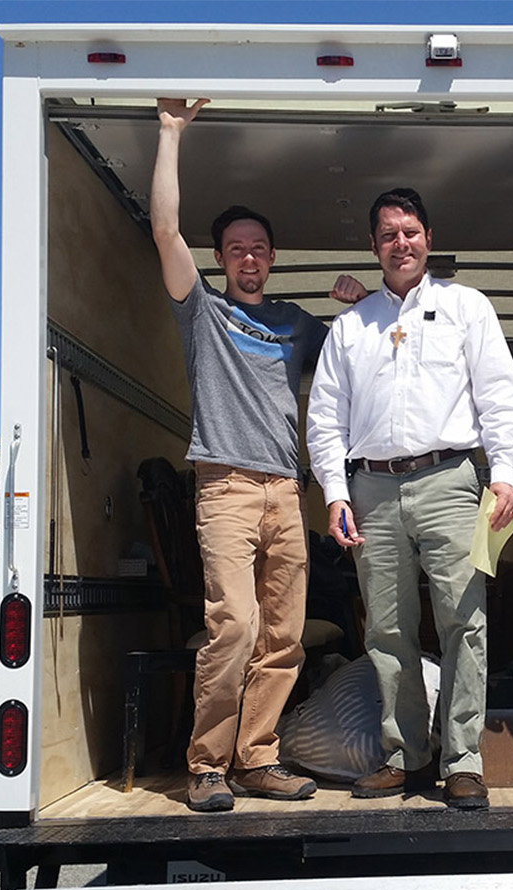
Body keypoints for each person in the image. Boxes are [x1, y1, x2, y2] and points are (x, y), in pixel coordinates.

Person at [151, 97, 366, 812]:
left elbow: (357, 358)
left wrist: (359, 300)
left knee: (282, 637)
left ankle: (257, 760)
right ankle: (207, 765)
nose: (249, 258)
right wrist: (170, 133)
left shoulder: (296, 324)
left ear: (273, 259)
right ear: (221, 259)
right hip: (226, 488)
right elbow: (162, 227)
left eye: (259, 248)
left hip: (285, 489)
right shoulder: (202, 311)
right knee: (233, 628)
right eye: (236, 248)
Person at [306, 188, 513, 810]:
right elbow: (326, 417)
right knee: (387, 629)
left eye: (410, 231)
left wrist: (503, 473)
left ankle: (463, 762)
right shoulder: (350, 326)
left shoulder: (467, 306)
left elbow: (499, 395)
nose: (401, 243)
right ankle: (404, 756)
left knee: (465, 619)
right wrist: (335, 493)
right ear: (374, 247)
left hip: (451, 480)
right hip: (370, 488)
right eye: (388, 235)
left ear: (427, 237)